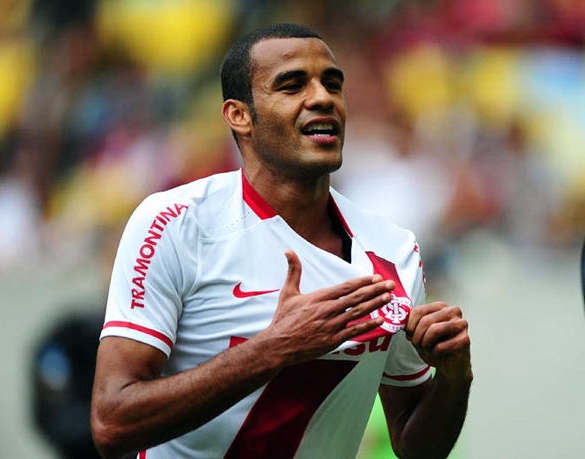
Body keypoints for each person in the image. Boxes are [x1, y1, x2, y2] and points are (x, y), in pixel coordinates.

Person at [91, 24, 472, 459]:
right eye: (292, 85)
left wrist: (454, 378)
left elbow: (414, 445)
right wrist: (274, 349)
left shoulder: (395, 249)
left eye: (333, 84)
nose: (323, 97)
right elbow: (112, 422)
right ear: (240, 115)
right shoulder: (175, 223)